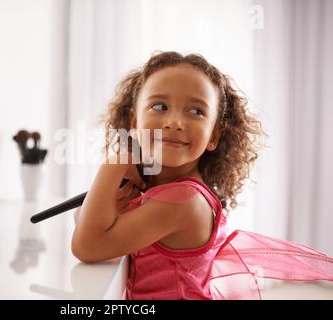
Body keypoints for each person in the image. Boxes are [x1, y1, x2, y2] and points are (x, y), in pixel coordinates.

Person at [71, 51, 333, 299]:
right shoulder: (166, 191)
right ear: (134, 123)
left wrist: (115, 162)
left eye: (196, 111)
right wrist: (114, 200)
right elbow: (84, 219)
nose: (174, 122)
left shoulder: (182, 200)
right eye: (160, 106)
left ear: (214, 136)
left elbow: (88, 246)